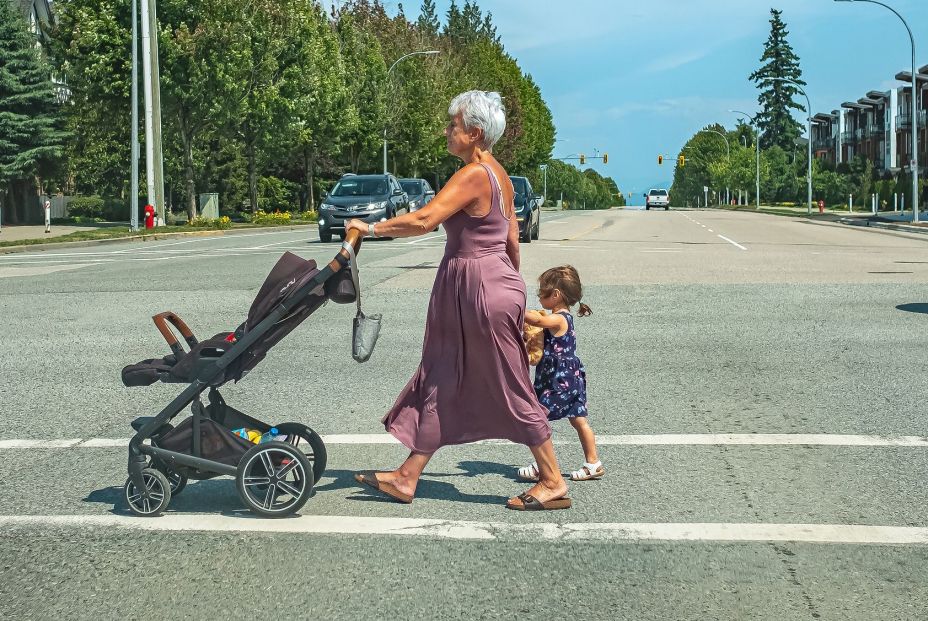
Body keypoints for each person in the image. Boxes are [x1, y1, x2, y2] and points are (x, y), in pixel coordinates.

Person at [345, 90, 570, 511]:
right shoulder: (498, 174)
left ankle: (553, 480)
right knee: (442, 376)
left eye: (453, 125)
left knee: (510, 385)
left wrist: (368, 229)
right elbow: (513, 242)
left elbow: (425, 219)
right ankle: (407, 476)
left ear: (475, 133)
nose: (447, 130)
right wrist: (511, 292)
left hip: (479, 290)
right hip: (486, 286)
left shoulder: (474, 175)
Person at [519, 266, 603, 482]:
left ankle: (542, 466)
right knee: (579, 419)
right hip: (570, 376)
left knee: (539, 418)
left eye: (542, 292)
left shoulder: (559, 318)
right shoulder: (563, 317)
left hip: (559, 379)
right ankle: (593, 463)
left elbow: (538, 321)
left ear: (556, 295)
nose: (539, 295)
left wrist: (515, 308)